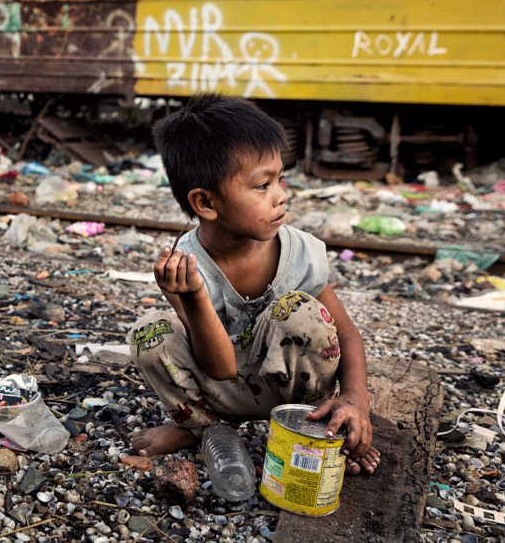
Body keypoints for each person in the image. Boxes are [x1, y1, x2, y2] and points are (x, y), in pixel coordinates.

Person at [127, 95, 379, 475]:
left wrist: (356, 401)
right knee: (149, 332)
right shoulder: (186, 267)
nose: (281, 194)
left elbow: (348, 336)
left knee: (301, 314)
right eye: (262, 185)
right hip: (220, 390)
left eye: (280, 178)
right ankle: (200, 427)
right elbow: (221, 368)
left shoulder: (299, 253)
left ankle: (315, 429)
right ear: (207, 203)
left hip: (295, 394)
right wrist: (192, 296)